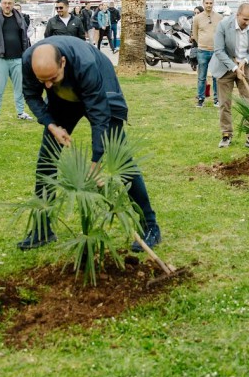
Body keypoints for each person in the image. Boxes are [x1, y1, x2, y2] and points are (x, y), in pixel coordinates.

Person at [18, 36, 161, 251]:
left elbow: (99, 114)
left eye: (52, 78)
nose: (47, 85)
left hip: (101, 93)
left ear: (63, 62)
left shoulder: (86, 63)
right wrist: (51, 125)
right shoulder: (30, 61)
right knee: (46, 162)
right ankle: (42, 229)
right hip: (63, 99)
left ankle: (150, 226)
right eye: (43, 81)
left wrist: (96, 161)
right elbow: (30, 95)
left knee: (121, 161)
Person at [209, 3, 249, 148]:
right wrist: (234, 67)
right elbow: (219, 50)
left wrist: (245, 61)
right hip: (225, 66)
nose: (247, 23)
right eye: (245, 20)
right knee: (225, 103)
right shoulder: (223, 25)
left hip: (246, 66)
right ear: (237, 15)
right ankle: (226, 134)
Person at [0, 0, 34, 125]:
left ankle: (21, 112)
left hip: (17, 59)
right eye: (5, 3)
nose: (7, 6)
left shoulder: (19, 18)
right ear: (1, 4)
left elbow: (24, 36)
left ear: (13, 4)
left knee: (19, 88)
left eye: (9, 3)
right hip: (0, 59)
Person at [191, 0, 223, 108]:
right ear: (203, 3)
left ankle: (217, 99)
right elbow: (194, 34)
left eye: (211, 3)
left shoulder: (219, 17)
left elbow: (222, 33)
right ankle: (200, 99)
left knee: (216, 76)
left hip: (215, 51)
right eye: (207, 3)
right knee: (201, 77)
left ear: (213, 3)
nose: (209, 5)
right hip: (202, 51)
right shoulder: (197, 18)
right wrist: (201, 43)